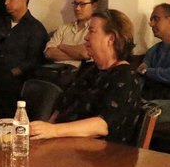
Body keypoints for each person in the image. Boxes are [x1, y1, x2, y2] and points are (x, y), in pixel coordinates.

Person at [30, 9, 142, 145]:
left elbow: (102, 125)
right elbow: (62, 106)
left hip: (101, 155)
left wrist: (53, 131)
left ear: (110, 38)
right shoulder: (89, 69)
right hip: (66, 146)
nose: (86, 37)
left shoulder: (125, 76)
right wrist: (44, 132)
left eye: (92, 31)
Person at [0, 0, 48, 80]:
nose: (6, 2)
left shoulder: (35, 28)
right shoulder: (1, 23)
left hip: (18, 80)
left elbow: (33, 60)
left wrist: (9, 74)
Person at [44, 0, 98, 69]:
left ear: (94, 6)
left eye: (82, 4)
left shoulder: (96, 30)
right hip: (55, 73)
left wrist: (62, 46)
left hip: (79, 77)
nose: (77, 8)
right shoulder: (63, 28)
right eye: (75, 4)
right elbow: (49, 53)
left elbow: (85, 53)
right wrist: (78, 54)